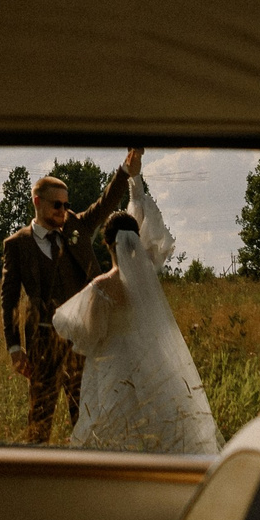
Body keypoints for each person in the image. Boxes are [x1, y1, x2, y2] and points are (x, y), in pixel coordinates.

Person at [51, 180, 221, 455]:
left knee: (109, 424)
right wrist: (135, 187)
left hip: (110, 366)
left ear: (107, 244)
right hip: (146, 360)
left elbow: (93, 336)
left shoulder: (101, 287)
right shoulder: (145, 283)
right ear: (135, 243)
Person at [0, 148, 138, 444]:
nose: (63, 210)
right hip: (41, 343)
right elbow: (9, 298)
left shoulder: (76, 226)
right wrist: (14, 347)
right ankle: (35, 474)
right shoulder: (17, 244)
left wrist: (125, 171)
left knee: (85, 416)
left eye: (66, 204)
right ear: (37, 202)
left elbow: (105, 204)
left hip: (81, 341)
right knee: (39, 420)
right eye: (57, 204)